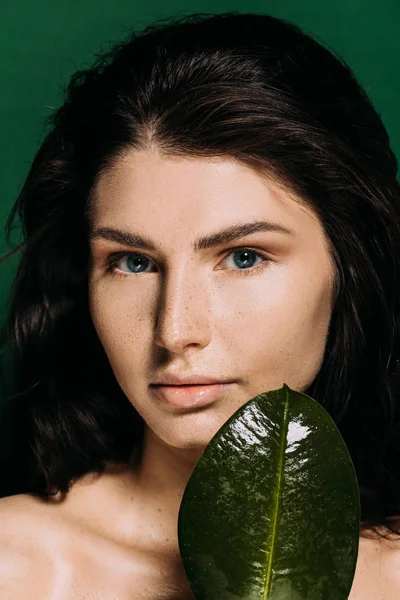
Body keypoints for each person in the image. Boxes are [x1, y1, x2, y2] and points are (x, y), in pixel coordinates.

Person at [0, 10, 399, 599]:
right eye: (134, 262)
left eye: (243, 257)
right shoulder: (18, 567)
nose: (175, 329)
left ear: (349, 268)